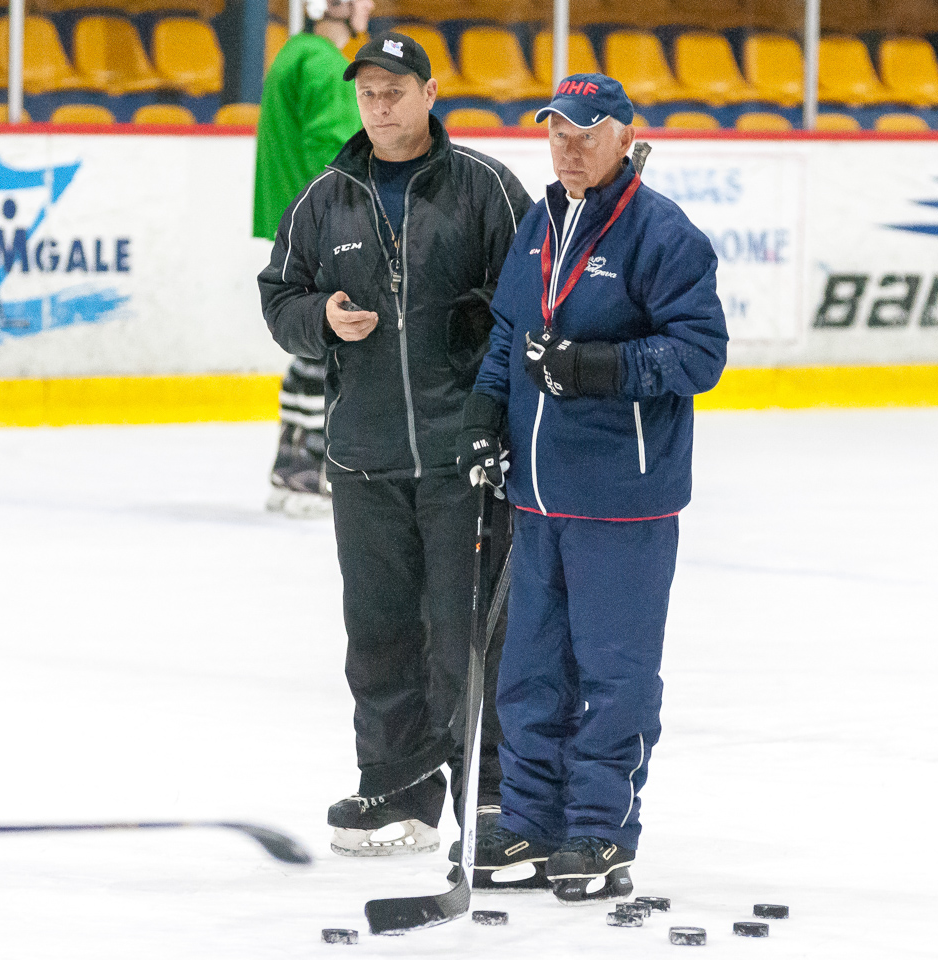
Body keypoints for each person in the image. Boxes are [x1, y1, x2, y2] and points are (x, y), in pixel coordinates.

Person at [259, 31, 532, 858]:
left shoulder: (485, 187)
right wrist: (321, 321)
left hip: (462, 456)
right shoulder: (324, 196)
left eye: (394, 90)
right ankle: (395, 791)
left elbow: (527, 300)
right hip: (364, 458)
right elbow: (279, 298)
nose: (379, 106)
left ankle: (491, 800)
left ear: (429, 92)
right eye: (368, 93)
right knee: (378, 635)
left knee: (471, 636)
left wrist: (477, 334)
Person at [456, 74, 728, 901]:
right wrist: (482, 414)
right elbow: (509, 331)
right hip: (538, 494)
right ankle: (531, 823)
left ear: (622, 135)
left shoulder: (662, 234)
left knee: (612, 672)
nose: (568, 147)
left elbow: (699, 356)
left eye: (585, 131)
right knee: (530, 671)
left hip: (623, 497)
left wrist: (597, 368)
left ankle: (599, 831)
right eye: (556, 132)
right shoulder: (540, 224)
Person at [254, 0, 374, 518]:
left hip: (294, 221)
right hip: (321, 227)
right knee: (325, 342)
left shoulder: (292, 53)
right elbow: (337, 150)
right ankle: (307, 460)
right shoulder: (325, 64)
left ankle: (292, 456)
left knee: (311, 341)